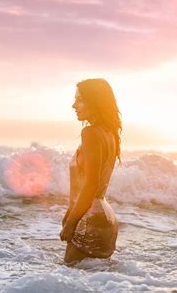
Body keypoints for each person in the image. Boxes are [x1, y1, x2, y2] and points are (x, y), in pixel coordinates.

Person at [60, 78, 122, 264]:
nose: (74, 105)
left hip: (89, 218)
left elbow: (91, 184)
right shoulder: (110, 133)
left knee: (70, 280)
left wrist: (71, 223)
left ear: (94, 101)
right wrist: (70, 213)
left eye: (79, 99)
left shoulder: (91, 133)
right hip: (103, 216)